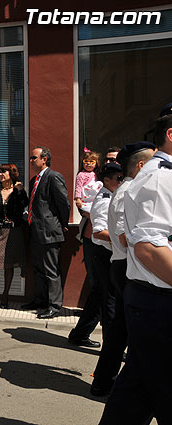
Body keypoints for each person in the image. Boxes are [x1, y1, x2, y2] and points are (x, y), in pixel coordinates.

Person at [98, 105, 172, 424]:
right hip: (160, 302)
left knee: (135, 397)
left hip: (154, 300)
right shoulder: (158, 180)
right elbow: (147, 249)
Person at [90, 141, 154, 397]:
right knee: (133, 331)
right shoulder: (129, 193)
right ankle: (122, 387)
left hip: (124, 264)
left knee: (120, 331)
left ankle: (105, 381)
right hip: (127, 265)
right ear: (140, 166)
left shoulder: (128, 190)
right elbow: (125, 238)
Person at [68, 162, 122, 347]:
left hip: (105, 252)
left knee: (99, 297)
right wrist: (125, 240)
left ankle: (79, 334)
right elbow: (99, 232)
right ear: (106, 180)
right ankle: (111, 346)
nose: (121, 181)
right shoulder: (105, 200)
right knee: (109, 302)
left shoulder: (112, 196)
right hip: (104, 254)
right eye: (118, 178)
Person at [21, 146, 70, 319]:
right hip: (35, 231)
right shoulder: (34, 180)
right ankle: (40, 300)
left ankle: (54, 305)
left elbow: (64, 203)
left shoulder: (53, 177)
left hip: (49, 231)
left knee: (51, 269)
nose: (31, 161)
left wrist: (61, 223)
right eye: (31, 158)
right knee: (38, 268)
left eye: (34, 158)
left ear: (45, 159)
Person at [0, 163, 28, 309]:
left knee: (9, 264)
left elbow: (25, 205)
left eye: (4, 172)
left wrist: (20, 191)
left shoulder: (18, 191)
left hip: (13, 231)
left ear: (12, 174)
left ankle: (6, 295)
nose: (1, 175)